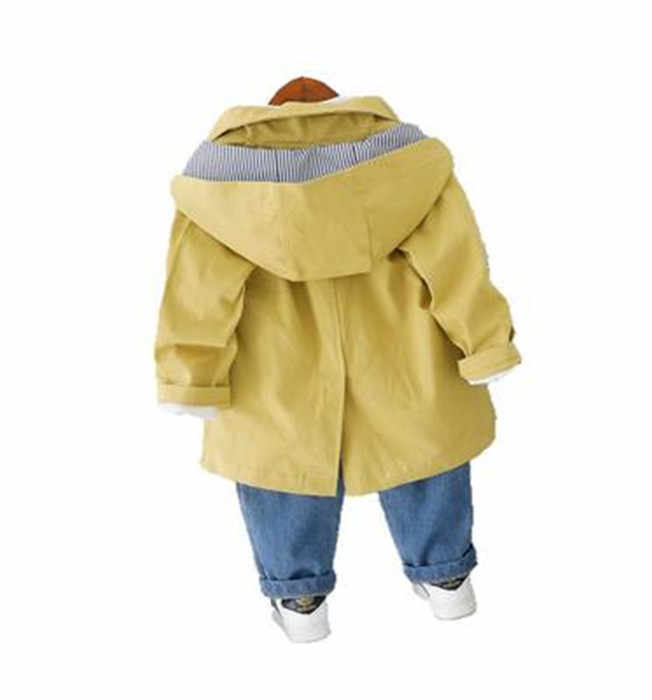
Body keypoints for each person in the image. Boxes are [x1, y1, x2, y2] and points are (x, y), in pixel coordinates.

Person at [154, 92, 521, 643]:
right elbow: (456, 259)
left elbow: (197, 289)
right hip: (396, 338)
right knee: (422, 439)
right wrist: (483, 341)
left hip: (276, 353)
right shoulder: (405, 164)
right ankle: (448, 580)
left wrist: (191, 373)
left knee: (281, 456)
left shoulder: (219, 185)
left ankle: (299, 601)